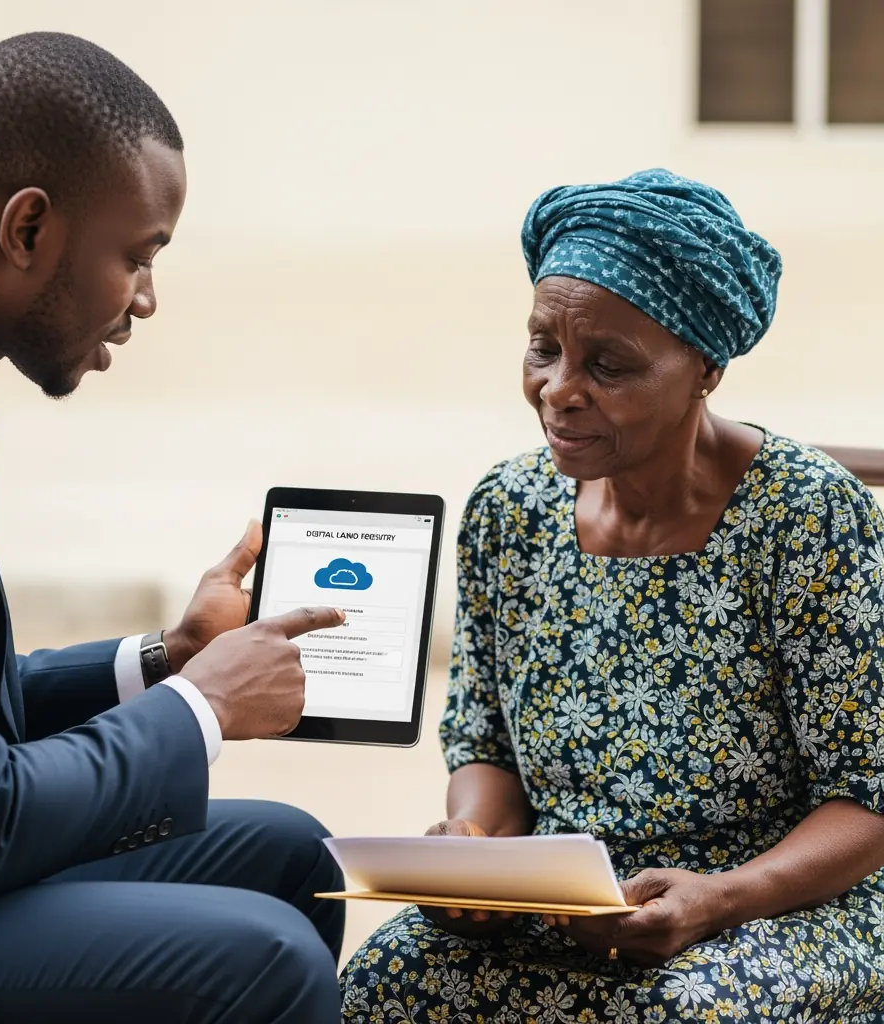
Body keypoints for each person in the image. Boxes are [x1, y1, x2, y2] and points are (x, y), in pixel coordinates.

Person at [0, 32, 347, 1024]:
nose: (147, 299)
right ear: (29, 227)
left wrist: (167, 661)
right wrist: (202, 710)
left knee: (300, 859)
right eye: (138, 255)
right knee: (268, 959)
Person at [340, 169, 884, 1022]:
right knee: (387, 982)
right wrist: (476, 849)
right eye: (543, 348)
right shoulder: (510, 510)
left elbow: (866, 800)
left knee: (678, 1011)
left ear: (704, 368)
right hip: (569, 905)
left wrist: (719, 898)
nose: (559, 388)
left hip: (783, 904)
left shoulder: (805, 517)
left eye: (609, 365)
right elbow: (484, 743)